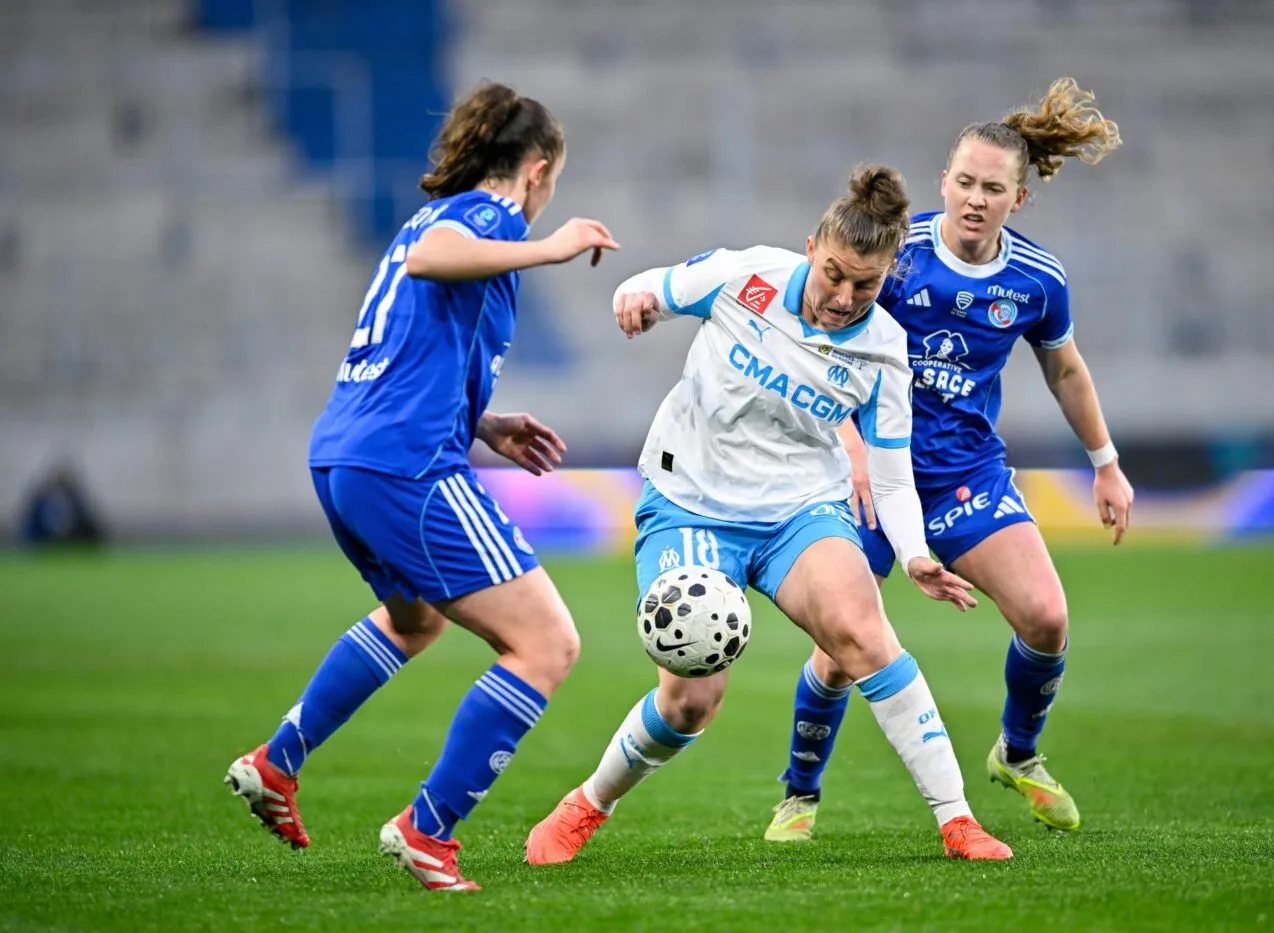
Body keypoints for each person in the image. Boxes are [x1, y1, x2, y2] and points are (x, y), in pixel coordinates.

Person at [524, 164, 1015, 866]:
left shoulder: (884, 349)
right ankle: (587, 803)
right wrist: (633, 300)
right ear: (811, 247)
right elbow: (651, 286)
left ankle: (958, 820)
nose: (845, 297)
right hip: (691, 500)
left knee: (865, 632)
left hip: (797, 509)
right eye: (835, 274)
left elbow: (890, 474)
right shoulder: (746, 275)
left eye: (867, 285)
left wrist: (914, 554)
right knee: (692, 701)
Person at [223, 81, 619, 892]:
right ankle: (426, 829)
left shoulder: (433, 219)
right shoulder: (484, 217)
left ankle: (277, 760)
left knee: (416, 618)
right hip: (404, 465)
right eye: (553, 189)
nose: (548, 207)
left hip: (345, 454)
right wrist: (547, 247)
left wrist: (486, 423)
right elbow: (433, 260)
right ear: (538, 171)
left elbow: (414, 341)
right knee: (548, 642)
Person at [763, 78, 1134, 843]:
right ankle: (799, 793)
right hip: (869, 472)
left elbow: (1065, 368)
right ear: (943, 182)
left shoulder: (1038, 279)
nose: (973, 198)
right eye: (963, 181)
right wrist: (854, 446)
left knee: (1047, 616)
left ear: (1016, 201)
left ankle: (1016, 753)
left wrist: (1105, 461)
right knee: (840, 652)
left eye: (991, 188)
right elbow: (828, 344)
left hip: (966, 472)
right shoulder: (897, 260)